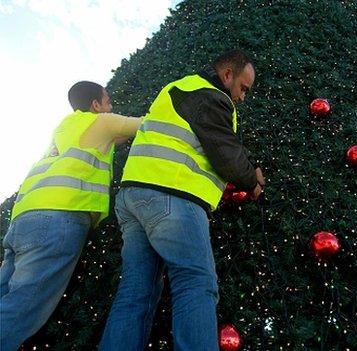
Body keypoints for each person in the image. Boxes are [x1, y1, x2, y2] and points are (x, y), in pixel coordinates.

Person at [99, 49, 264, 351]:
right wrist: (252, 179)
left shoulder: (181, 87)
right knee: (196, 283)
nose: (242, 97)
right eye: (243, 87)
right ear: (228, 75)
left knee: (136, 293)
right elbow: (225, 152)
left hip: (133, 197)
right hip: (171, 196)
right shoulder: (209, 95)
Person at [0, 81, 143, 351]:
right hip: (58, 219)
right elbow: (145, 125)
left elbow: (103, 139)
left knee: (5, 298)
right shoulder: (102, 122)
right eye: (108, 102)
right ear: (96, 105)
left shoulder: (63, 130)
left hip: (22, 220)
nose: (112, 107)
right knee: (21, 309)